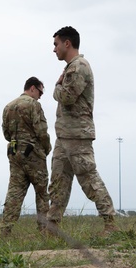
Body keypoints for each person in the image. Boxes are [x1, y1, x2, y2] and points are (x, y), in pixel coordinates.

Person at [46, 26, 117, 233]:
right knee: (58, 183)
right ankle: (52, 228)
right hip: (64, 135)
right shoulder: (71, 67)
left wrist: (56, 87)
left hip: (77, 135)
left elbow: (67, 97)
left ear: (67, 43)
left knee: (89, 179)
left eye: (56, 44)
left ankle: (109, 223)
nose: (54, 49)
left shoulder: (79, 66)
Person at [0, 77, 52, 235]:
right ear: (33, 88)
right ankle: (44, 231)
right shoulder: (33, 105)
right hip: (33, 152)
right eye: (40, 92)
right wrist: (46, 148)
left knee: (15, 192)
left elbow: (6, 133)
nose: (41, 95)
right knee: (42, 193)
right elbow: (41, 131)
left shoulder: (8, 106)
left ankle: (5, 231)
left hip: (15, 153)